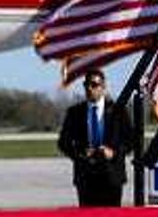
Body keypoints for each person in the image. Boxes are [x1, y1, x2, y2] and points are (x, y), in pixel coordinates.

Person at [57, 68, 134, 206]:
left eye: (94, 85)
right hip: (86, 177)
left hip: (112, 176)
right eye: (86, 85)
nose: (89, 88)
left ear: (103, 87)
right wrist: (80, 153)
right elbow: (63, 143)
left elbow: (130, 141)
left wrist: (113, 152)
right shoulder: (75, 113)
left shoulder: (118, 111)